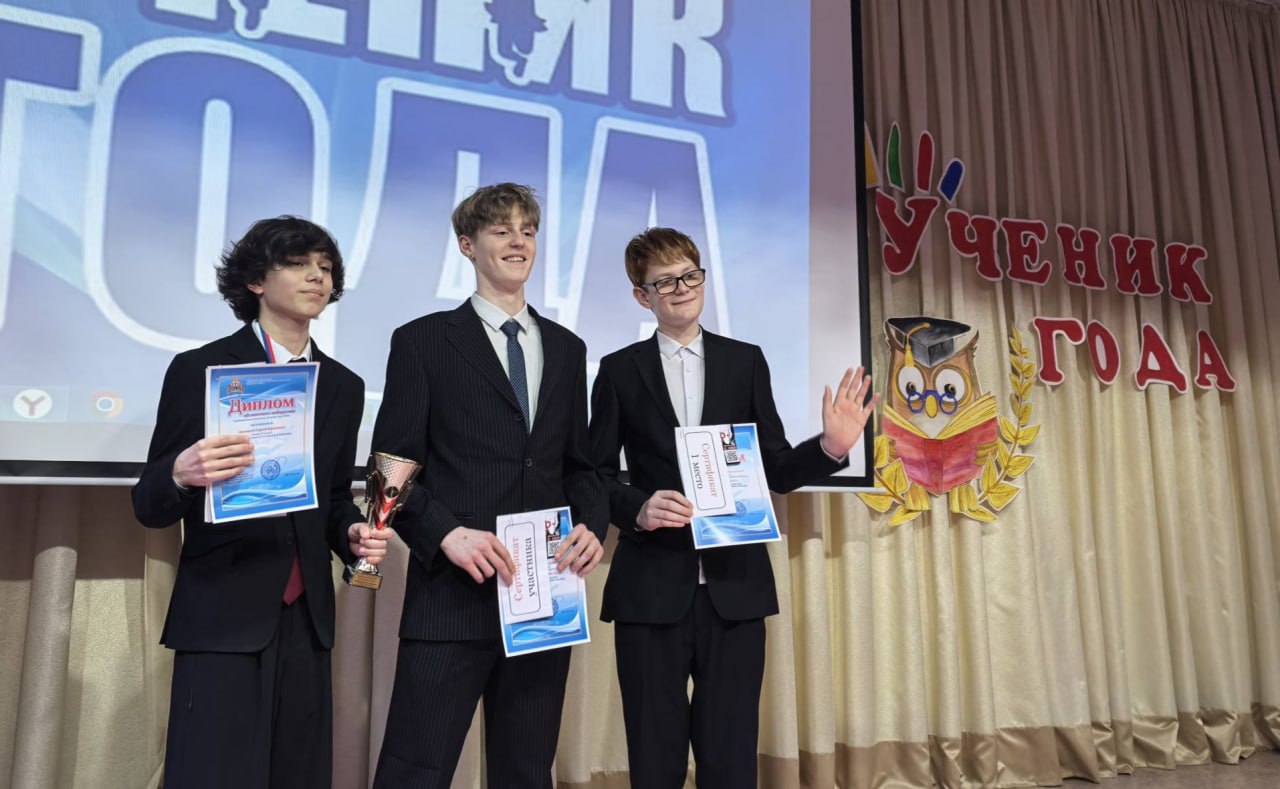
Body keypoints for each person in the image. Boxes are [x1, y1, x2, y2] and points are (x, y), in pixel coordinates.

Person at [588, 227, 880, 788]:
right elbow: (593, 473)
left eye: (690, 275)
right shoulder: (620, 370)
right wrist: (637, 507)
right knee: (654, 757)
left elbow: (774, 467)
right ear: (641, 296)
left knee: (730, 757)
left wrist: (829, 448)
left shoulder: (744, 361)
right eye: (665, 281)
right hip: (650, 589)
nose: (681, 288)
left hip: (734, 589)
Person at [132, 216, 390, 788]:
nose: (317, 277)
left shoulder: (343, 386)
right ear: (255, 280)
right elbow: (149, 504)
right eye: (298, 264)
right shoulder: (201, 369)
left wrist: (351, 535)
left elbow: (331, 500)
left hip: (308, 619)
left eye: (325, 268)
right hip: (222, 615)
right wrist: (180, 473)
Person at [370, 183, 607, 788]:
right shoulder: (422, 341)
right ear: (467, 246)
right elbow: (388, 469)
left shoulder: (567, 347)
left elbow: (580, 466)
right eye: (501, 231)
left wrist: (592, 525)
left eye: (527, 230)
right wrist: (446, 534)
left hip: (543, 598)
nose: (518, 242)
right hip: (451, 595)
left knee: (526, 772)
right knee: (415, 770)